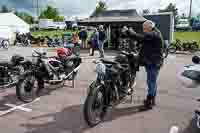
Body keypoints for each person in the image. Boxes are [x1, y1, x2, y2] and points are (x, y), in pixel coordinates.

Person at [124, 20, 164, 109]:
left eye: (144, 29)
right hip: (153, 62)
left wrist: (129, 32)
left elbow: (141, 38)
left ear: (148, 28)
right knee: (152, 82)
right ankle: (152, 100)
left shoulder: (153, 34)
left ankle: (149, 102)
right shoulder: (154, 33)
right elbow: (144, 44)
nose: (143, 31)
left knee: (151, 82)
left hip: (153, 62)